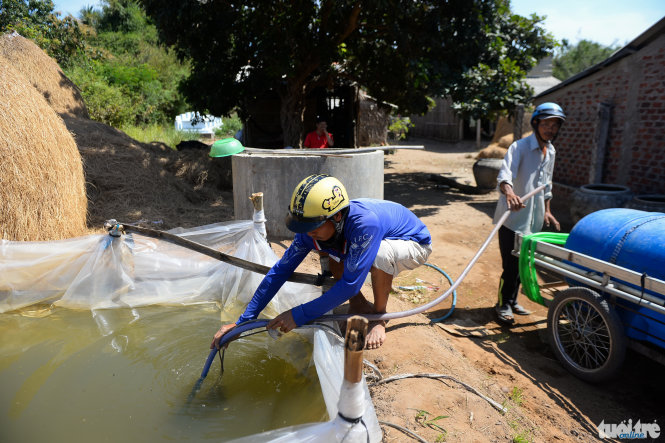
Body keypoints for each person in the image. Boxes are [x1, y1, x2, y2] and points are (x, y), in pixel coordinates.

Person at [212, 174, 432, 349]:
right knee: (330, 252)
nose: (307, 234)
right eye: (303, 227)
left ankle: (378, 316)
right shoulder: (313, 230)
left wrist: (298, 315)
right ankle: (358, 304)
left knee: (380, 254)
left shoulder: (365, 225)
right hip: (370, 239)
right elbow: (280, 271)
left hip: (412, 244)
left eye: (312, 227)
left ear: (337, 216)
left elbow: (351, 284)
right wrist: (242, 323)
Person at [493, 102, 565, 324]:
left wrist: (548, 211)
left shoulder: (550, 151)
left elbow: (546, 186)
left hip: (533, 222)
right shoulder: (520, 147)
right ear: (536, 123)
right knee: (510, 265)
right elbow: (504, 176)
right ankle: (502, 305)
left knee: (524, 263)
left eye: (554, 125)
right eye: (545, 124)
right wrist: (510, 193)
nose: (549, 129)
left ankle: (513, 301)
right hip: (512, 219)